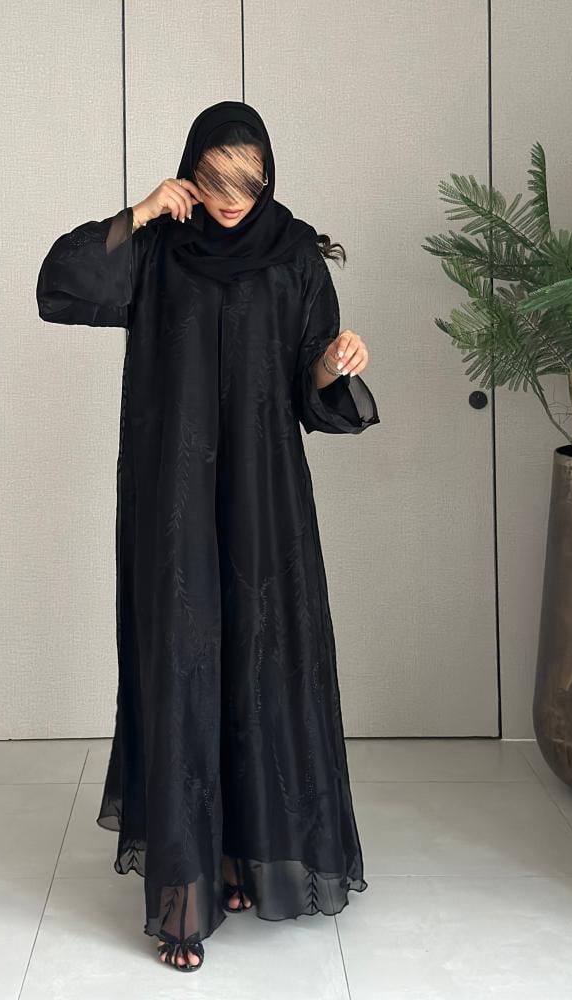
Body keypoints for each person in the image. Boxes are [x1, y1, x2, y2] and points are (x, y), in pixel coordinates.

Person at [36, 100, 379, 973]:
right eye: (215, 178)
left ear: (267, 177)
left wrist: (331, 362)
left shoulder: (294, 254)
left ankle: (244, 857)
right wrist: (141, 209)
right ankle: (185, 895)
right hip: (175, 493)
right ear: (191, 168)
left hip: (263, 496)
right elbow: (61, 287)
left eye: (247, 181)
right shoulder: (159, 247)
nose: (230, 198)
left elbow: (310, 389)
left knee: (260, 663)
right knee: (184, 662)